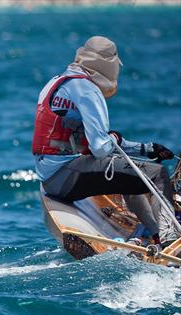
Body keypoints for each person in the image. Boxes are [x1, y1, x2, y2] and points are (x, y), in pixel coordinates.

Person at [32, 36, 179, 247]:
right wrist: (116, 140)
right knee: (158, 174)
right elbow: (101, 148)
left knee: (128, 175)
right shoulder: (87, 89)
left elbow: (99, 141)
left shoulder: (56, 82)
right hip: (65, 177)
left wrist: (146, 149)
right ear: (108, 65)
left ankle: (155, 235)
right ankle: (169, 239)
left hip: (50, 177)